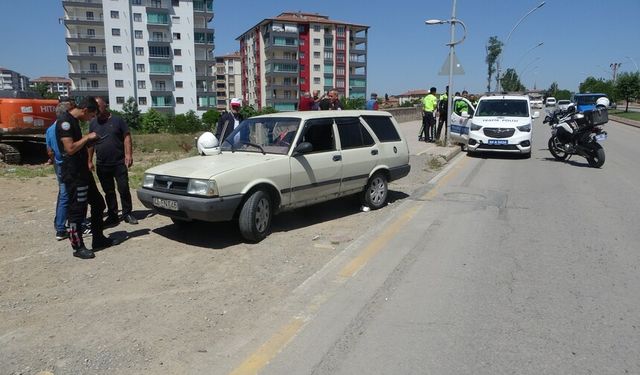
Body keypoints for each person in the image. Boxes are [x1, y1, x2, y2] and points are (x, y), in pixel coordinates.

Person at [56, 96, 114, 259]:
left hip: (83, 172)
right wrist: (88, 137)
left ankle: (99, 239)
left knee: (98, 203)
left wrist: (89, 143)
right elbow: (70, 148)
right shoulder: (65, 122)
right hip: (74, 174)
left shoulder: (74, 121)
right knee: (77, 211)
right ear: (85, 110)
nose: (92, 119)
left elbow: (77, 145)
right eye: (92, 115)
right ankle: (78, 246)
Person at [88, 97, 137, 227]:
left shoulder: (117, 120)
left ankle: (127, 213)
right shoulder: (93, 123)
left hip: (119, 162)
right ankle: (113, 215)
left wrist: (128, 154)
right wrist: (89, 161)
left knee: (123, 188)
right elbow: (90, 144)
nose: (96, 109)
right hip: (102, 163)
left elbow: (127, 137)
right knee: (108, 191)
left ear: (105, 105)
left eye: (98, 106)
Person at [45, 98, 75, 240]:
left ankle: (60, 223)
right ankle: (61, 228)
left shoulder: (50, 129)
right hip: (66, 165)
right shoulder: (64, 127)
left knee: (63, 193)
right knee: (66, 195)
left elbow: (49, 150)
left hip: (58, 164)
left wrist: (53, 160)